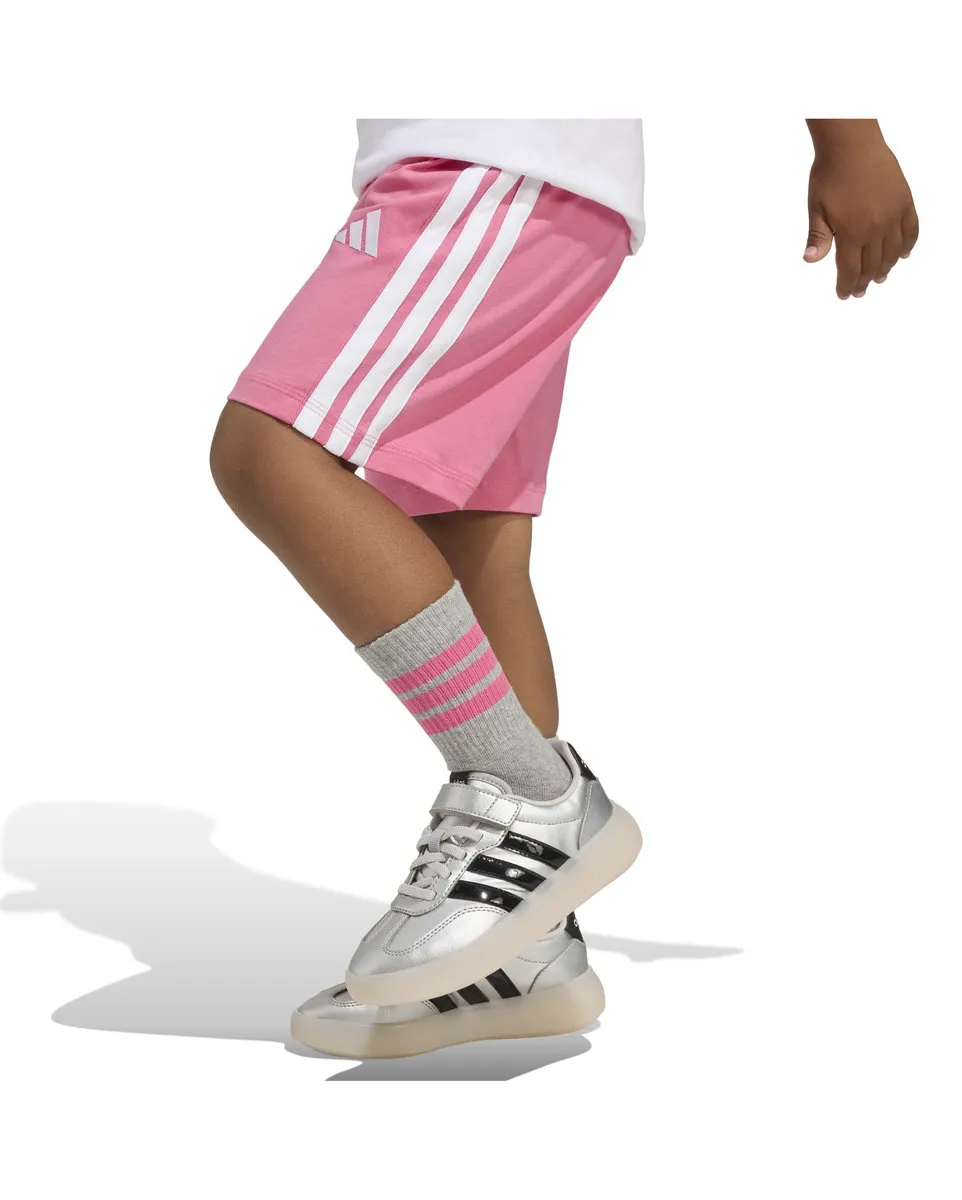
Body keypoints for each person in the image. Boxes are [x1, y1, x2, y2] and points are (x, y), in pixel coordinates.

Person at [209, 118, 918, 1058]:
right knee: (470, 535)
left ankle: (533, 798)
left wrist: (849, 134)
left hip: (498, 152)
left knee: (268, 453)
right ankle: (521, 954)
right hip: (517, 172)